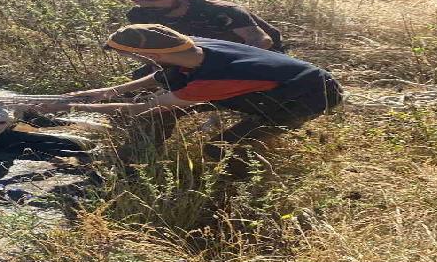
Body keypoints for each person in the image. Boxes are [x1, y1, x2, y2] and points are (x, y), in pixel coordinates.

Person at [36, 24, 342, 176]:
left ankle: (234, 188)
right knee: (155, 119)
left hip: (305, 95)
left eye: (137, 55)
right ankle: (139, 164)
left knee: (221, 145)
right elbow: (163, 76)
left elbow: (147, 104)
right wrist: (109, 91)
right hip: (257, 85)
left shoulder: (214, 79)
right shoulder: (192, 47)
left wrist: (73, 106)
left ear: (151, 54)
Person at [125, 0, 284, 52]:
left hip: (255, 53)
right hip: (198, 55)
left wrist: (225, 64)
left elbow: (262, 41)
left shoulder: (220, 11)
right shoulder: (141, 16)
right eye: (139, 2)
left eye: (154, 0)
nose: (146, 5)